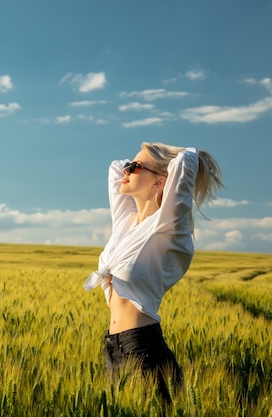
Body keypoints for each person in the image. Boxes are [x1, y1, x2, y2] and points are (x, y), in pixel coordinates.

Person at [84, 142, 223, 405]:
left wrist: (169, 152)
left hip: (143, 350)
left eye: (135, 167)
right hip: (112, 348)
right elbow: (115, 166)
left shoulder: (169, 226)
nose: (126, 170)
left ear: (160, 182)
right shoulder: (126, 224)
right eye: (130, 166)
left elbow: (185, 161)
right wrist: (144, 158)